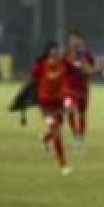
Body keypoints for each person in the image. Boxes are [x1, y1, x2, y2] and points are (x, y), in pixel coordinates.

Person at [30, 41, 73, 174]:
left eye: (57, 49)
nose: (55, 51)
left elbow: (68, 80)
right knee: (57, 132)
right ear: (48, 51)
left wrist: (67, 99)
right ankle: (63, 165)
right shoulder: (41, 66)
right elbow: (33, 80)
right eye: (53, 49)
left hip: (59, 102)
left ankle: (45, 138)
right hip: (45, 104)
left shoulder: (64, 65)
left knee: (57, 127)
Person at [63, 29, 97, 149]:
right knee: (69, 110)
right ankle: (75, 135)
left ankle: (80, 137)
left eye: (75, 39)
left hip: (82, 89)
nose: (72, 41)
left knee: (82, 114)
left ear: (81, 40)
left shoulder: (87, 55)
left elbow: (92, 71)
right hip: (69, 89)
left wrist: (85, 68)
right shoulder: (66, 55)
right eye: (71, 39)